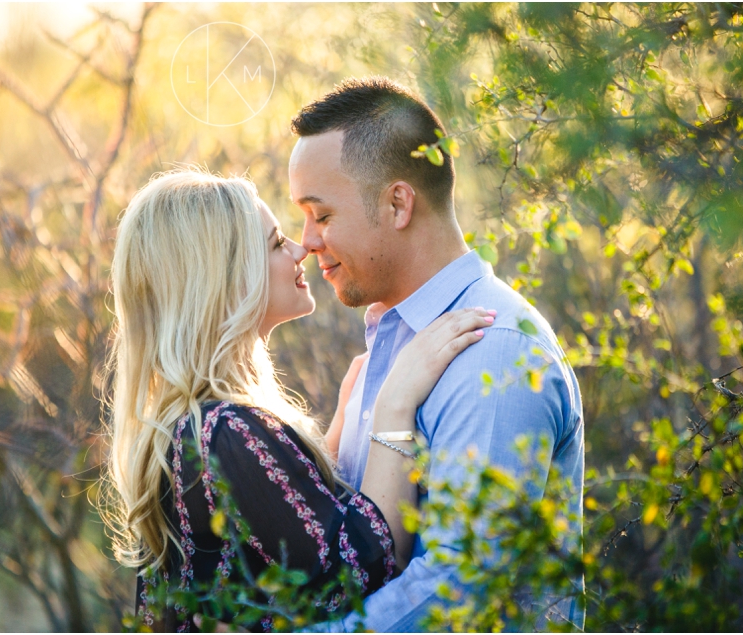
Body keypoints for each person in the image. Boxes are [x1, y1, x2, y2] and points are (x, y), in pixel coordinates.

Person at [103, 169, 495, 631]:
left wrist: (328, 445)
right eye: (274, 244)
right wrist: (396, 403)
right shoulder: (226, 432)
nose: (301, 249)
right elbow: (363, 570)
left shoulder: (197, 426)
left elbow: (281, 542)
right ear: (223, 281)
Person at [289, 76, 585, 630]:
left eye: (321, 215)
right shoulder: (392, 342)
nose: (306, 240)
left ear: (399, 203)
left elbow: (462, 591)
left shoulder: (494, 352)